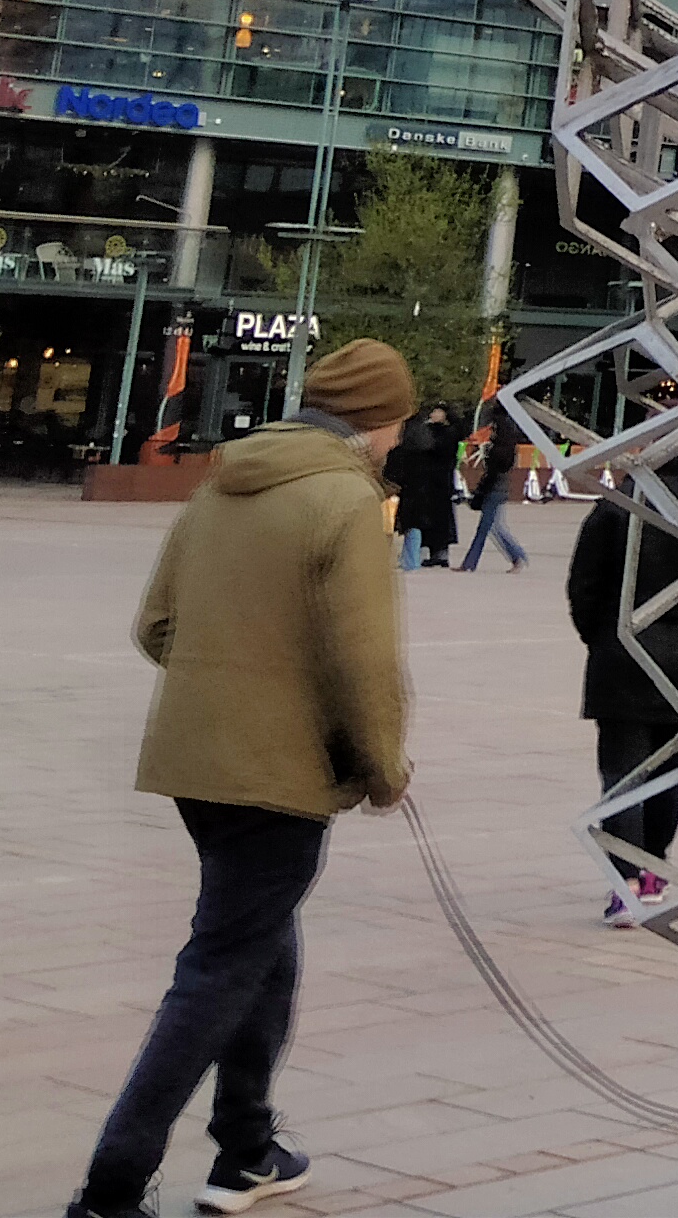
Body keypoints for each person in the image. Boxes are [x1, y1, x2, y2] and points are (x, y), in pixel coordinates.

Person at [62, 335, 418, 1218]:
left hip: (196, 763)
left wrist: (224, 687)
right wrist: (383, 767)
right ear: (376, 421)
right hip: (281, 773)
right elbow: (364, 660)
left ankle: (247, 1148)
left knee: (259, 943)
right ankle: (112, 1186)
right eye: (398, 425)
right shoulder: (349, 500)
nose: (398, 442)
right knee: (219, 967)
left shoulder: (222, 482)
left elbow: (156, 626)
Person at [565, 471, 678, 927]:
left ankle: (625, 882)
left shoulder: (617, 503)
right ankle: (653, 868)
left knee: (622, 774)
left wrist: (601, 637)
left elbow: (583, 585)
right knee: (671, 768)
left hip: (623, 654)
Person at [455, 397, 528, 572]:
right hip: (498, 485)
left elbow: (497, 464)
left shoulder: (500, 437)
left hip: (495, 486)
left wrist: (489, 454)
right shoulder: (507, 433)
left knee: (486, 527)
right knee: (495, 526)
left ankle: (472, 563)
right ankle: (517, 556)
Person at [388, 402, 462, 570]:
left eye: (438, 412)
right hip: (429, 484)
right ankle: (428, 554)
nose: (434, 415)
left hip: (439, 483)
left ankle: (436, 554)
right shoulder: (425, 431)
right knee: (427, 519)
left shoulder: (446, 432)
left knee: (435, 520)